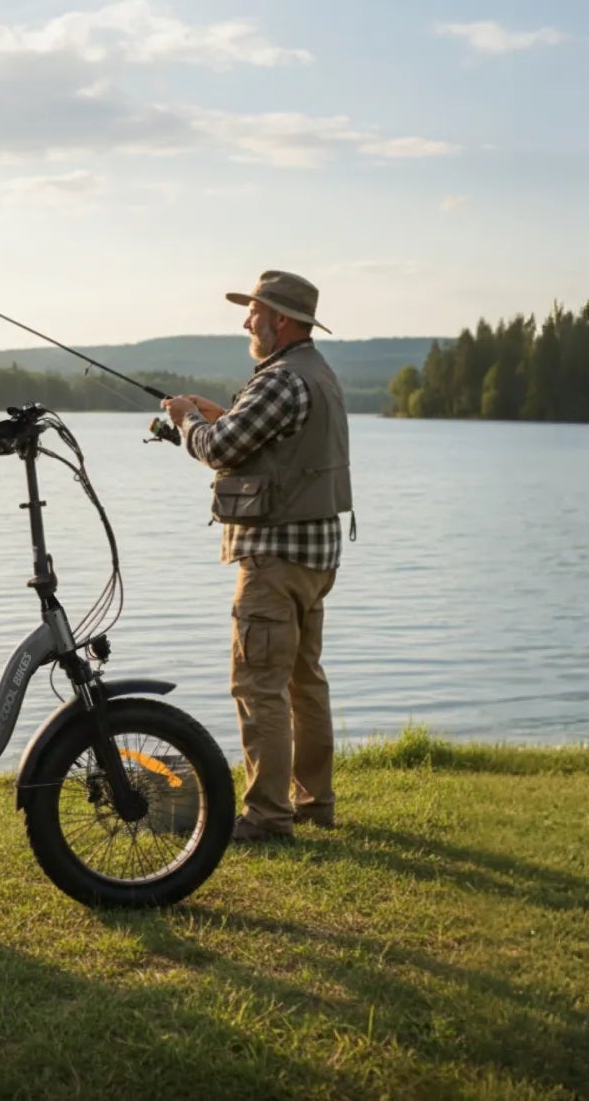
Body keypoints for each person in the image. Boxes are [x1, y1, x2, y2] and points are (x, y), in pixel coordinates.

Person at [160, 270, 352, 843]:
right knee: (303, 682)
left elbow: (220, 450)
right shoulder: (317, 374)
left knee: (258, 685)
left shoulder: (280, 379)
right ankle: (314, 803)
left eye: (255, 312)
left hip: (274, 560)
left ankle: (268, 818)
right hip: (314, 559)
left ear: (282, 320)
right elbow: (272, 446)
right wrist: (219, 413)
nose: (247, 320)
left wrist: (187, 420)